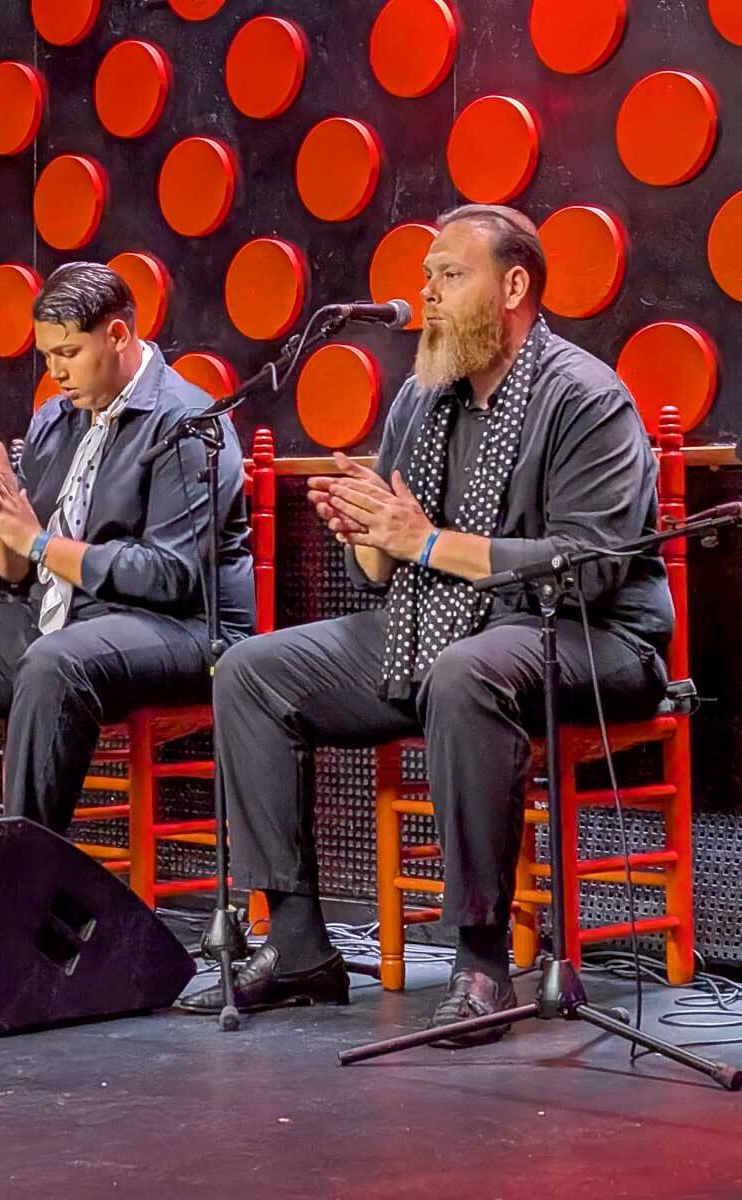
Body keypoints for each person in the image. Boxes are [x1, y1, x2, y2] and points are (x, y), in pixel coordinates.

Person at [181, 205, 673, 1043]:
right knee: (254, 671)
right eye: (426, 277)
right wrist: (368, 536)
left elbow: (589, 568)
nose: (428, 295)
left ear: (513, 285)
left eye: (451, 275)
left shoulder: (586, 397)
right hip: (441, 625)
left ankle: (481, 962)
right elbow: (385, 564)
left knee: (468, 673)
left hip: (586, 637)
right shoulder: (421, 396)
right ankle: (299, 947)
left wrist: (425, 541)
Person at [0, 261, 254, 833]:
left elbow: (170, 575)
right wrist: (3, 520)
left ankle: (22, 887)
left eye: (67, 353)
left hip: (183, 630)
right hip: (66, 619)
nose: (55, 372)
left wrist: (41, 540)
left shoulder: (186, 421)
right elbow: (15, 573)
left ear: (118, 335)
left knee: (55, 663)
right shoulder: (54, 420)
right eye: (47, 355)